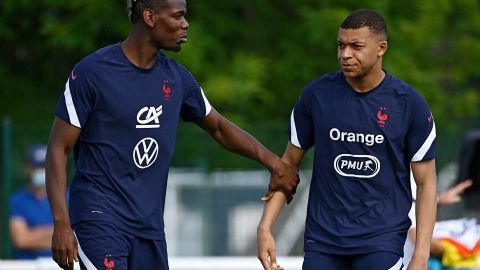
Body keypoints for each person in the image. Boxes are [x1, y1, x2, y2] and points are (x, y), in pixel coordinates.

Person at [45, 0, 299, 269]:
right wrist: (62, 223)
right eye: (177, 16)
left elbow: (219, 128)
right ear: (150, 17)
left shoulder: (177, 79)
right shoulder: (92, 72)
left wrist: (275, 165)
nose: (185, 24)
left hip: (149, 228)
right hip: (99, 219)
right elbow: (58, 149)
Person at [257, 9, 437, 270]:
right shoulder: (316, 95)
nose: (345, 54)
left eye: (356, 46)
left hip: (381, 240)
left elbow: (426, 183)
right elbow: (287, 166)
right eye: (341, 45)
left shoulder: (409, 104)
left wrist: (420, 256)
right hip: (323, 240)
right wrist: (265, 228)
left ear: (381, 48)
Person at [403, 178, 474, 267]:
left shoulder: (413, 176)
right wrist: (459, 251)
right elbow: (416, 237)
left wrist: (440, 199)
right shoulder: (401, 179)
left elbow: (417, 200)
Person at [9, 144, 53, 259]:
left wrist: (34, 235)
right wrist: (57, 233)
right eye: (37, 167)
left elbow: (75, 238)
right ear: (28, 169)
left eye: (45, 167)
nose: (42, 171)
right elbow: (21, 240)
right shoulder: (16, 200)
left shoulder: (65, 197)